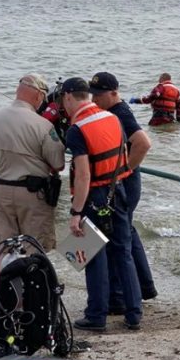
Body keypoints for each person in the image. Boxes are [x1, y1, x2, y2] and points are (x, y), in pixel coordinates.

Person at [61, 77, 143, 332]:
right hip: (117, 190)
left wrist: (75, 212)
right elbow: (124, 155)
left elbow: (84, 175)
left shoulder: (77, 130)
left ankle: (96, 315)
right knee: (123, 252)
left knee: (92, 254)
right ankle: (134, 314)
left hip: (95, 196)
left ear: (68, 98)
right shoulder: (113, 118)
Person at [0, 74, 65, 292]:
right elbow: (58, 163)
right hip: (32, 195)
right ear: (39, 96)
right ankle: (34, 306)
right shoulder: (43, 125)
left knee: (1, 248)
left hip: (0, 189)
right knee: (34, 248)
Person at [89, 72, 157, 310]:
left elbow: (143, 143)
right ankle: (144, 287)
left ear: (114, 93)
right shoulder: (110, 112)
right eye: (92, 94)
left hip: (125, 181)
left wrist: (122, 171)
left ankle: (118, 297)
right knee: (126, 230)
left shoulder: (120, 113)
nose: (95, 99)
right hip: (125, 179)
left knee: (116, 237)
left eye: (100, 95)